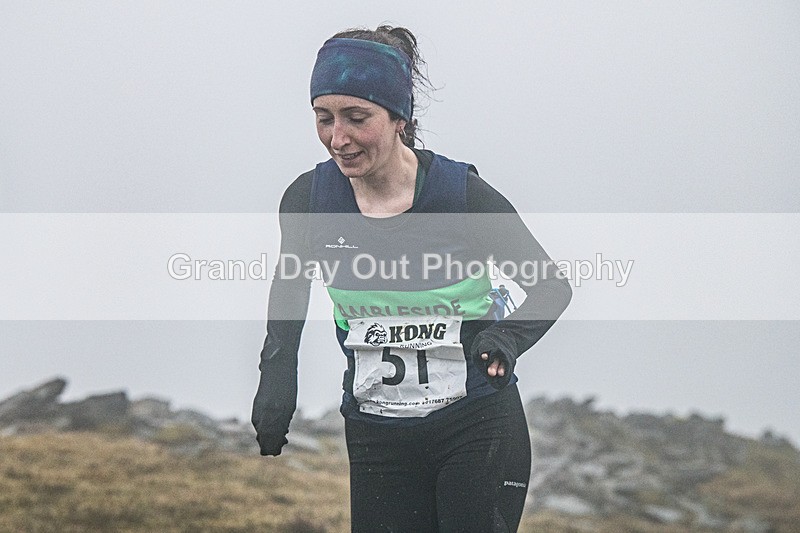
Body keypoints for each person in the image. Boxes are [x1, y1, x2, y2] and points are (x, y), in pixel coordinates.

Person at [251, 25, 572, 532]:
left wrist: (504, 338)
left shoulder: (462, 197)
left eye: (358, 118)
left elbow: (551, 285)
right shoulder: (309, 201)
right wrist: (276, 380)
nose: (339, 137)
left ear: (399, 119)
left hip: (475, 423)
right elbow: (291, 286)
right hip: (376, 430)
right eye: (324, 118)